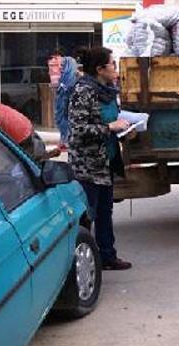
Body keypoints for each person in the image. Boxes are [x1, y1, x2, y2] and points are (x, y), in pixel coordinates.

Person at [68, 46, 133, 271]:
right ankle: (76, 263)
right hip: (88, 166)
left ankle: (107, 256)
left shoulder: (108, 90)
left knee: (106, 212)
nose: (115, 68)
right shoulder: (83, 91)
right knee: (86, 216)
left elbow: (113, 119)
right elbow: (77, 131)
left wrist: (125, 129)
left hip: (106, 163)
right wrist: (109, 128)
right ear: (99, 69)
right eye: (112, 64)